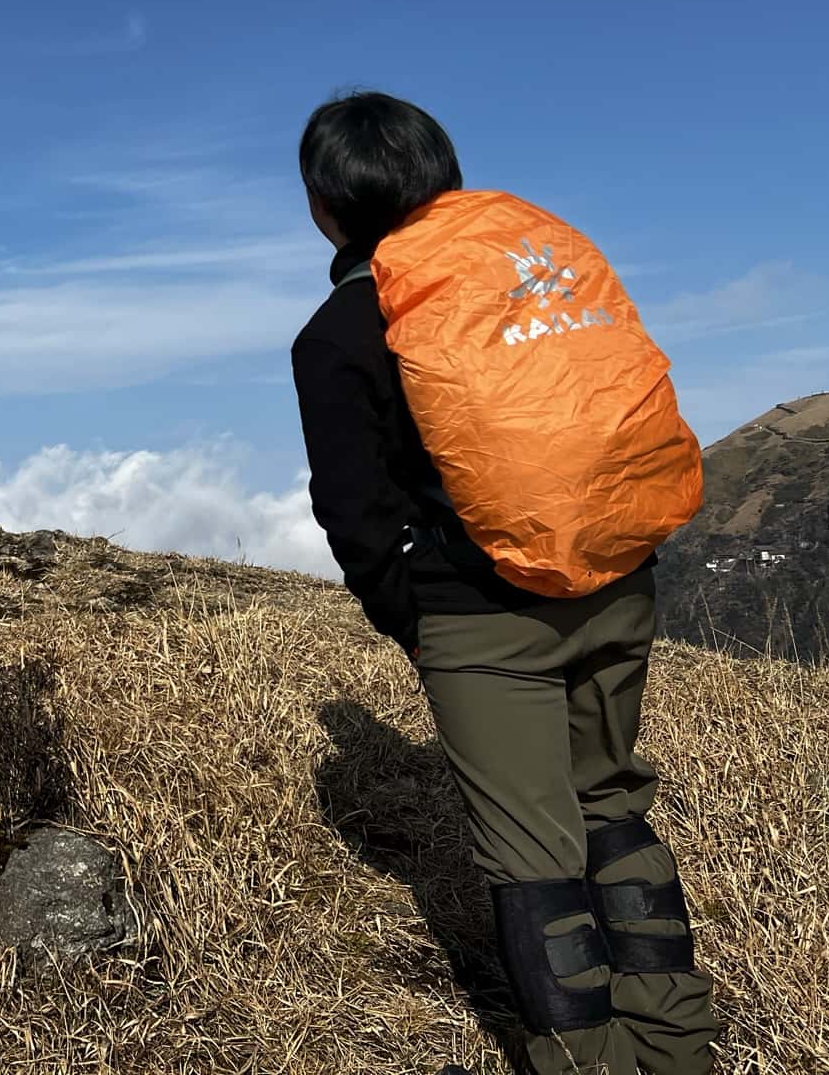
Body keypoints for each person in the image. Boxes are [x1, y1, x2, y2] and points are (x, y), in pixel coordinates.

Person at [289, 92, 720, 1075]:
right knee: (610, 803)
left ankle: (586, 1061)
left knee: (532, 856)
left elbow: (354, 515)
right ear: (440, 172)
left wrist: (424, 618)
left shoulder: (339, 332)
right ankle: (674, 1041)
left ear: (324, 206)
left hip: (479, 621)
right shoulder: (538, 270)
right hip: (614, 578)